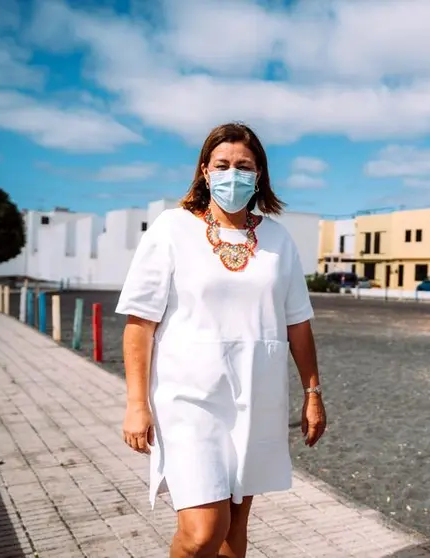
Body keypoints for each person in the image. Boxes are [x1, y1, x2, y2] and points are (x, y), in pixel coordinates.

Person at [115, 122, 327, 558]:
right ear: (205, 172)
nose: (234, 174)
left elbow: (298, 324)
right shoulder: (171, 228)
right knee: (202, 534)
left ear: (260, 175)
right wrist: (137, 404)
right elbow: (140, 324)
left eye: (244, 166)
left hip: (256, 397)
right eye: (223, 164)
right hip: (188, 399)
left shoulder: (277, 239)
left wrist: (312, 393)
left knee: (234, 530)